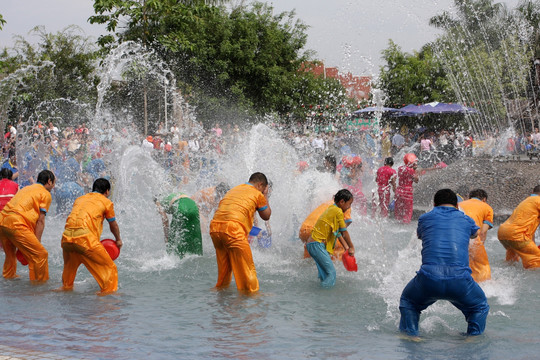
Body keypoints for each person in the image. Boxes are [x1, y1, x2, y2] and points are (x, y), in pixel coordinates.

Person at [399, 189, 489, 337]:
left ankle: (412, 336)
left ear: (434, 204)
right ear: (457, 205)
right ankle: (472, 338)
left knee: (408, 302)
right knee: (479, 307)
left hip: (428, 279)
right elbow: (475, 233)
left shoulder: (424, 218)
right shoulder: (466, 219)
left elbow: (420, 235)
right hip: (460, 281)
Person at [209, 172, 271, 292]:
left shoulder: (233, 190)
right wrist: (265, 196)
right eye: (264, 189)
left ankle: (219, 301)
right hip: (233, 229)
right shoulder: (257, 193)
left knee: (224, 273)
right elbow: (266, 215)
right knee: (248, 271)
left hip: (215, 228)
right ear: (260, 185)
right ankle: (253, 299)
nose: (263, 191)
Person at [59, 178, 122, 294]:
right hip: (85, 239)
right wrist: (118, 240)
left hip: (66, 238)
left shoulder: (80, 199)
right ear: (107, 192)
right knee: (110, 269)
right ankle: (108, 300)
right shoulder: (106, 202)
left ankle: (64, 291)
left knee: (67, 280)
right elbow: (113, 225)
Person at [0, 170, 55, 281]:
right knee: (40, 255)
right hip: (17, 223)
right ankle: (39, 287)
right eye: (54, 182)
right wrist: (37, 243)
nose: (54, 186)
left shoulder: (26, 188)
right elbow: (40, 221)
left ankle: (8, 277)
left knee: (10, 255)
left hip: (2, 221)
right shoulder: (45, 194)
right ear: (49, 181)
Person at [306, 189, 355, 288]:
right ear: (342, 202)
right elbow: (343, 231)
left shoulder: (332, 209)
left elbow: (337, 233)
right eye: (349, 204)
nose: (349, 207)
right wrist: (351, 246)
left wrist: (346, 248)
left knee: (324, 274)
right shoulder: (337, 211)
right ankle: (323, 296)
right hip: (316, 244)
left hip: (313, 244)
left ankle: (320, 294)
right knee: (331, 274)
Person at [498, 185, 540, 269]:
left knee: (511, 262)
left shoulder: (526, 201)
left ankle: (502, 278)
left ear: (532, 192)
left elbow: (530, 229)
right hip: (517, 235)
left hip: (503, 233)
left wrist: (533, 246)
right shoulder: (538, 201)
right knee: (536, 260)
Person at [459, 189, 494, 282]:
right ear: (484, 199)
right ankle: (484, 286)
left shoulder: (460, 204)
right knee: (482, 268)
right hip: (470, 238)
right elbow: (482, 231)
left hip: (453, 238)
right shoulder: (486, 207)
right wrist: (480, 247)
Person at [155, 192, 203, 257]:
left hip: (180, 208)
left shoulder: (158, 202)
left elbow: (165, 220)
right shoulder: (175, 193)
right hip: (194, 206)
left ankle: (175, 258)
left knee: (172, 241)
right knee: (194, 238)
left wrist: (166, 237)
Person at [394, 153, 419, 223]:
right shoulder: (411, 170)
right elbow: (416, 180)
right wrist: (415, 170)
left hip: (399, 191)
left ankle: (397, 223)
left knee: (399, 209)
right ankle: (405, 224)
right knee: (407, 210)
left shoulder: (400, 168)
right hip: (407, 192)